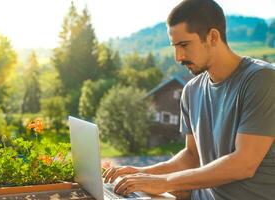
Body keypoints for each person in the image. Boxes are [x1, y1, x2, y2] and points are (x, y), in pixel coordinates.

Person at [102, 0, 275, 199]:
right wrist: (142, 173)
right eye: (175, 46)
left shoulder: (262, 80)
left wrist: (164, 182)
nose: (177, 56)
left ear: (212, 37)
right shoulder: (191, 90)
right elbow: (192, 156)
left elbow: (244, 164)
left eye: (184, 44)